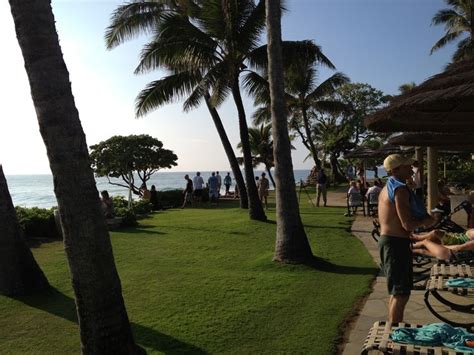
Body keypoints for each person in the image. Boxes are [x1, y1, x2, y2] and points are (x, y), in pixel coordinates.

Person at [377, 154, 438, 323]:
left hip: (391, 242)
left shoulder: (388, 187)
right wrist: (426, 221)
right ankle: (395, 335)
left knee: (398, 292)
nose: (411, 168)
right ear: (396, 170)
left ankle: (393, 330)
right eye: (407, 166)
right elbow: (407, 224)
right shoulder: (400, 190)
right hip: (395, 244)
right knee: (401, 293)